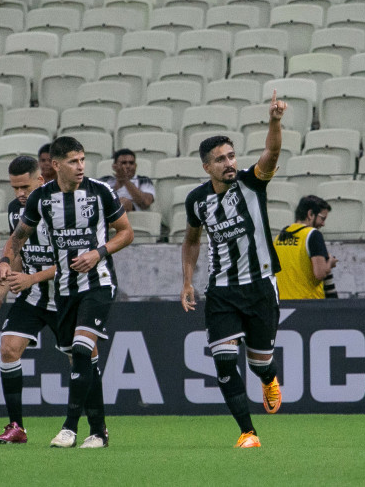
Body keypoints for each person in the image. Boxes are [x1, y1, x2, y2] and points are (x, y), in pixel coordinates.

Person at [0, 136, 134, 449]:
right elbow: (17, 240)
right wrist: (4, 262)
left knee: (82, 352)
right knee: (81, 359)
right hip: (63, 292)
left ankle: (70, 428)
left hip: (98, 283)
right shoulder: (40, 200)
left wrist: (98, 252)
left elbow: (127, 233)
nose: (80, 166)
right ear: (55, 165)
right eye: (73, 161)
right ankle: (98, 431)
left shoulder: (100, 191)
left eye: (82, 159)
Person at [180, 90, 286, 449]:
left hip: (260, 288)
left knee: (260, 363)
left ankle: (268, 378)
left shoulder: (252, 183)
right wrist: (187, 282)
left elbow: (271, 153)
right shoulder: (197, 200)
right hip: (222, 291)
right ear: (206, 167)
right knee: (224, 363)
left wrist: (274, 121)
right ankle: (247, 432)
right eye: (220, 159)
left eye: (231, 155)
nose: (229, 163)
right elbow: (192, 240)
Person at [0, 156, 58, 445]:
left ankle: (94, 425)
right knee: (8, 349)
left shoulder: (59, 205)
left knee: (82, 359)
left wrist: (31, 279)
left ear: (40, 179)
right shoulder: (16, 211)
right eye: (15, 188)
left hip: (66, 294)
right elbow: (20, 256)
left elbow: (73, 261)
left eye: (24, 186)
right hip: (33, 294)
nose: (20, 194)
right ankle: (17, 427)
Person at [273, 195, 338, 300]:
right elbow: (320, 274)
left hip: (283, 304)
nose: (323, 224)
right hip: (309, 305)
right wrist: (330, 262)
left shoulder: (279, 237)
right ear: (310, 214)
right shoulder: (313, 235)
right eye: (322, 218)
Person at [100, 148, 154, 212]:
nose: (128, 166)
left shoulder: (143, 180)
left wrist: (125, 181)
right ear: (114, 166)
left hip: (134, 216)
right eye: (124, 163)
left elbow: (146, 202)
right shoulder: (105, 180)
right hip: (105, 214)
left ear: (135, 166)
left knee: (123, 202)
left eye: (131, 163)